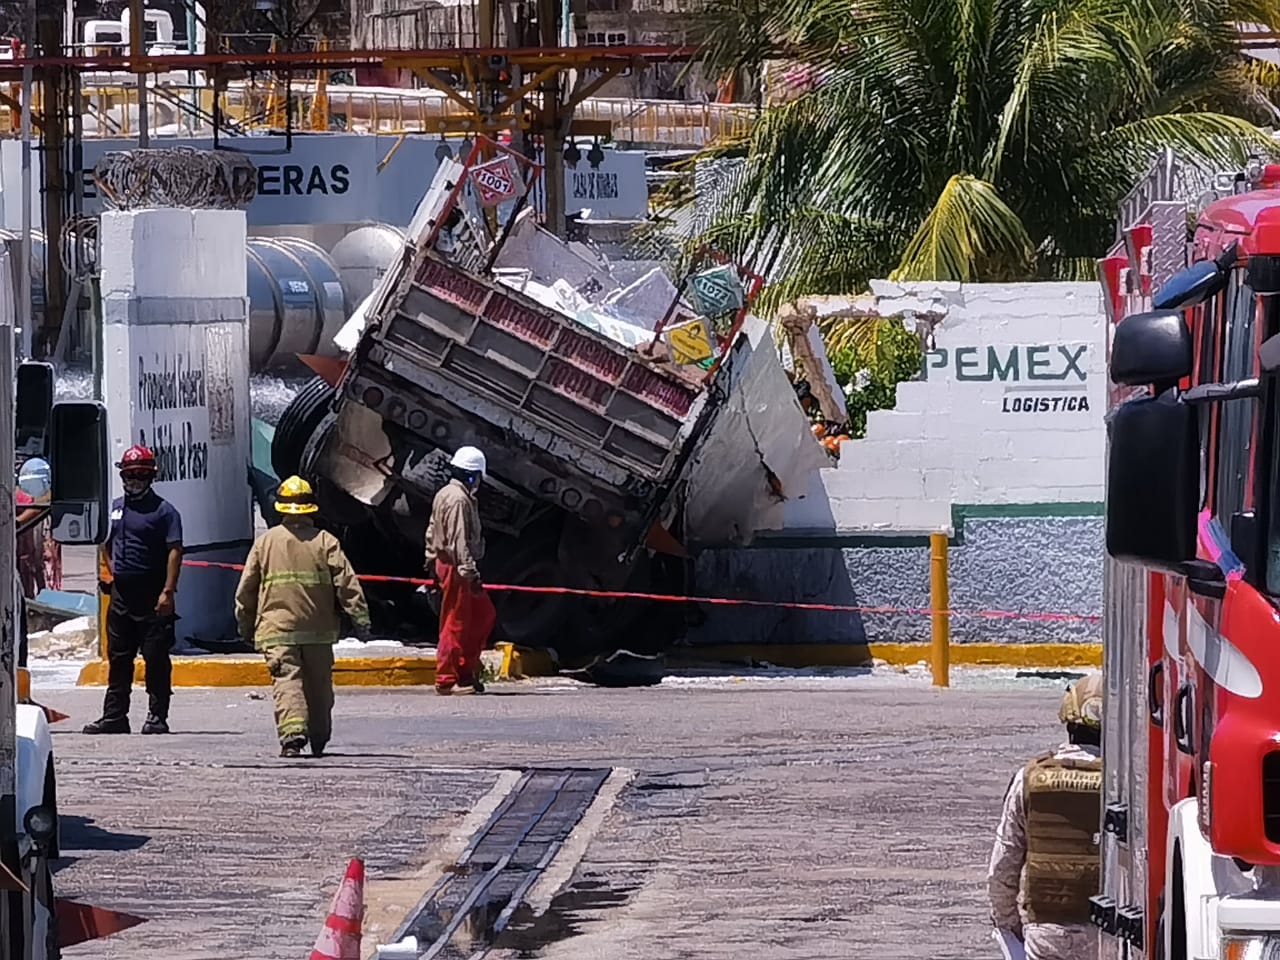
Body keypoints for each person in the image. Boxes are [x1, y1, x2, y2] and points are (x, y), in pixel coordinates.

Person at [234, 475, 370, 759]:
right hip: (318, 631)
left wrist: (245, 626)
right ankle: (319, 738)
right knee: (319, 686)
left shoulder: (265, 542)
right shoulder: (326, 542)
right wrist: (361, 622)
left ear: (281, 507)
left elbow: (246, 591)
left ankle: (292, 737)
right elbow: (347, 584)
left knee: (287, 681)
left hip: (277, 630)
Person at [988, 671, 1104, 960]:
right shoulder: (1125, 784)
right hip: (1107, 938)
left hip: (1046, 938)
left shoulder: (1029, 778)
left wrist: (1010, 929)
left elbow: (1002, 870)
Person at [83, 445, 183, 736]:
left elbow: (175, 550)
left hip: (153, 596)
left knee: (156, 659)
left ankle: (157, 716)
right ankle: (115, 716)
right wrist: (109, 572)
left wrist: (168, 591)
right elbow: (104, 541)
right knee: (119, 658)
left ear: (151, 476)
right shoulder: (114, 509)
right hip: (121, 597)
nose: (135, 480)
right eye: (129, 475)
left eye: (141, 475)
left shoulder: (165, 512)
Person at [424, 445, 496, 696]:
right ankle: (446, 678)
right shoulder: (457, 499)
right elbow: (458, 540)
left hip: (452, 564)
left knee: (482, 615)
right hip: (456, 566)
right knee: (455, 623)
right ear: (473, 475)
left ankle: (465, 671)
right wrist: (469, 572)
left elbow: (432, 530)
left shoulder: (450, 494)